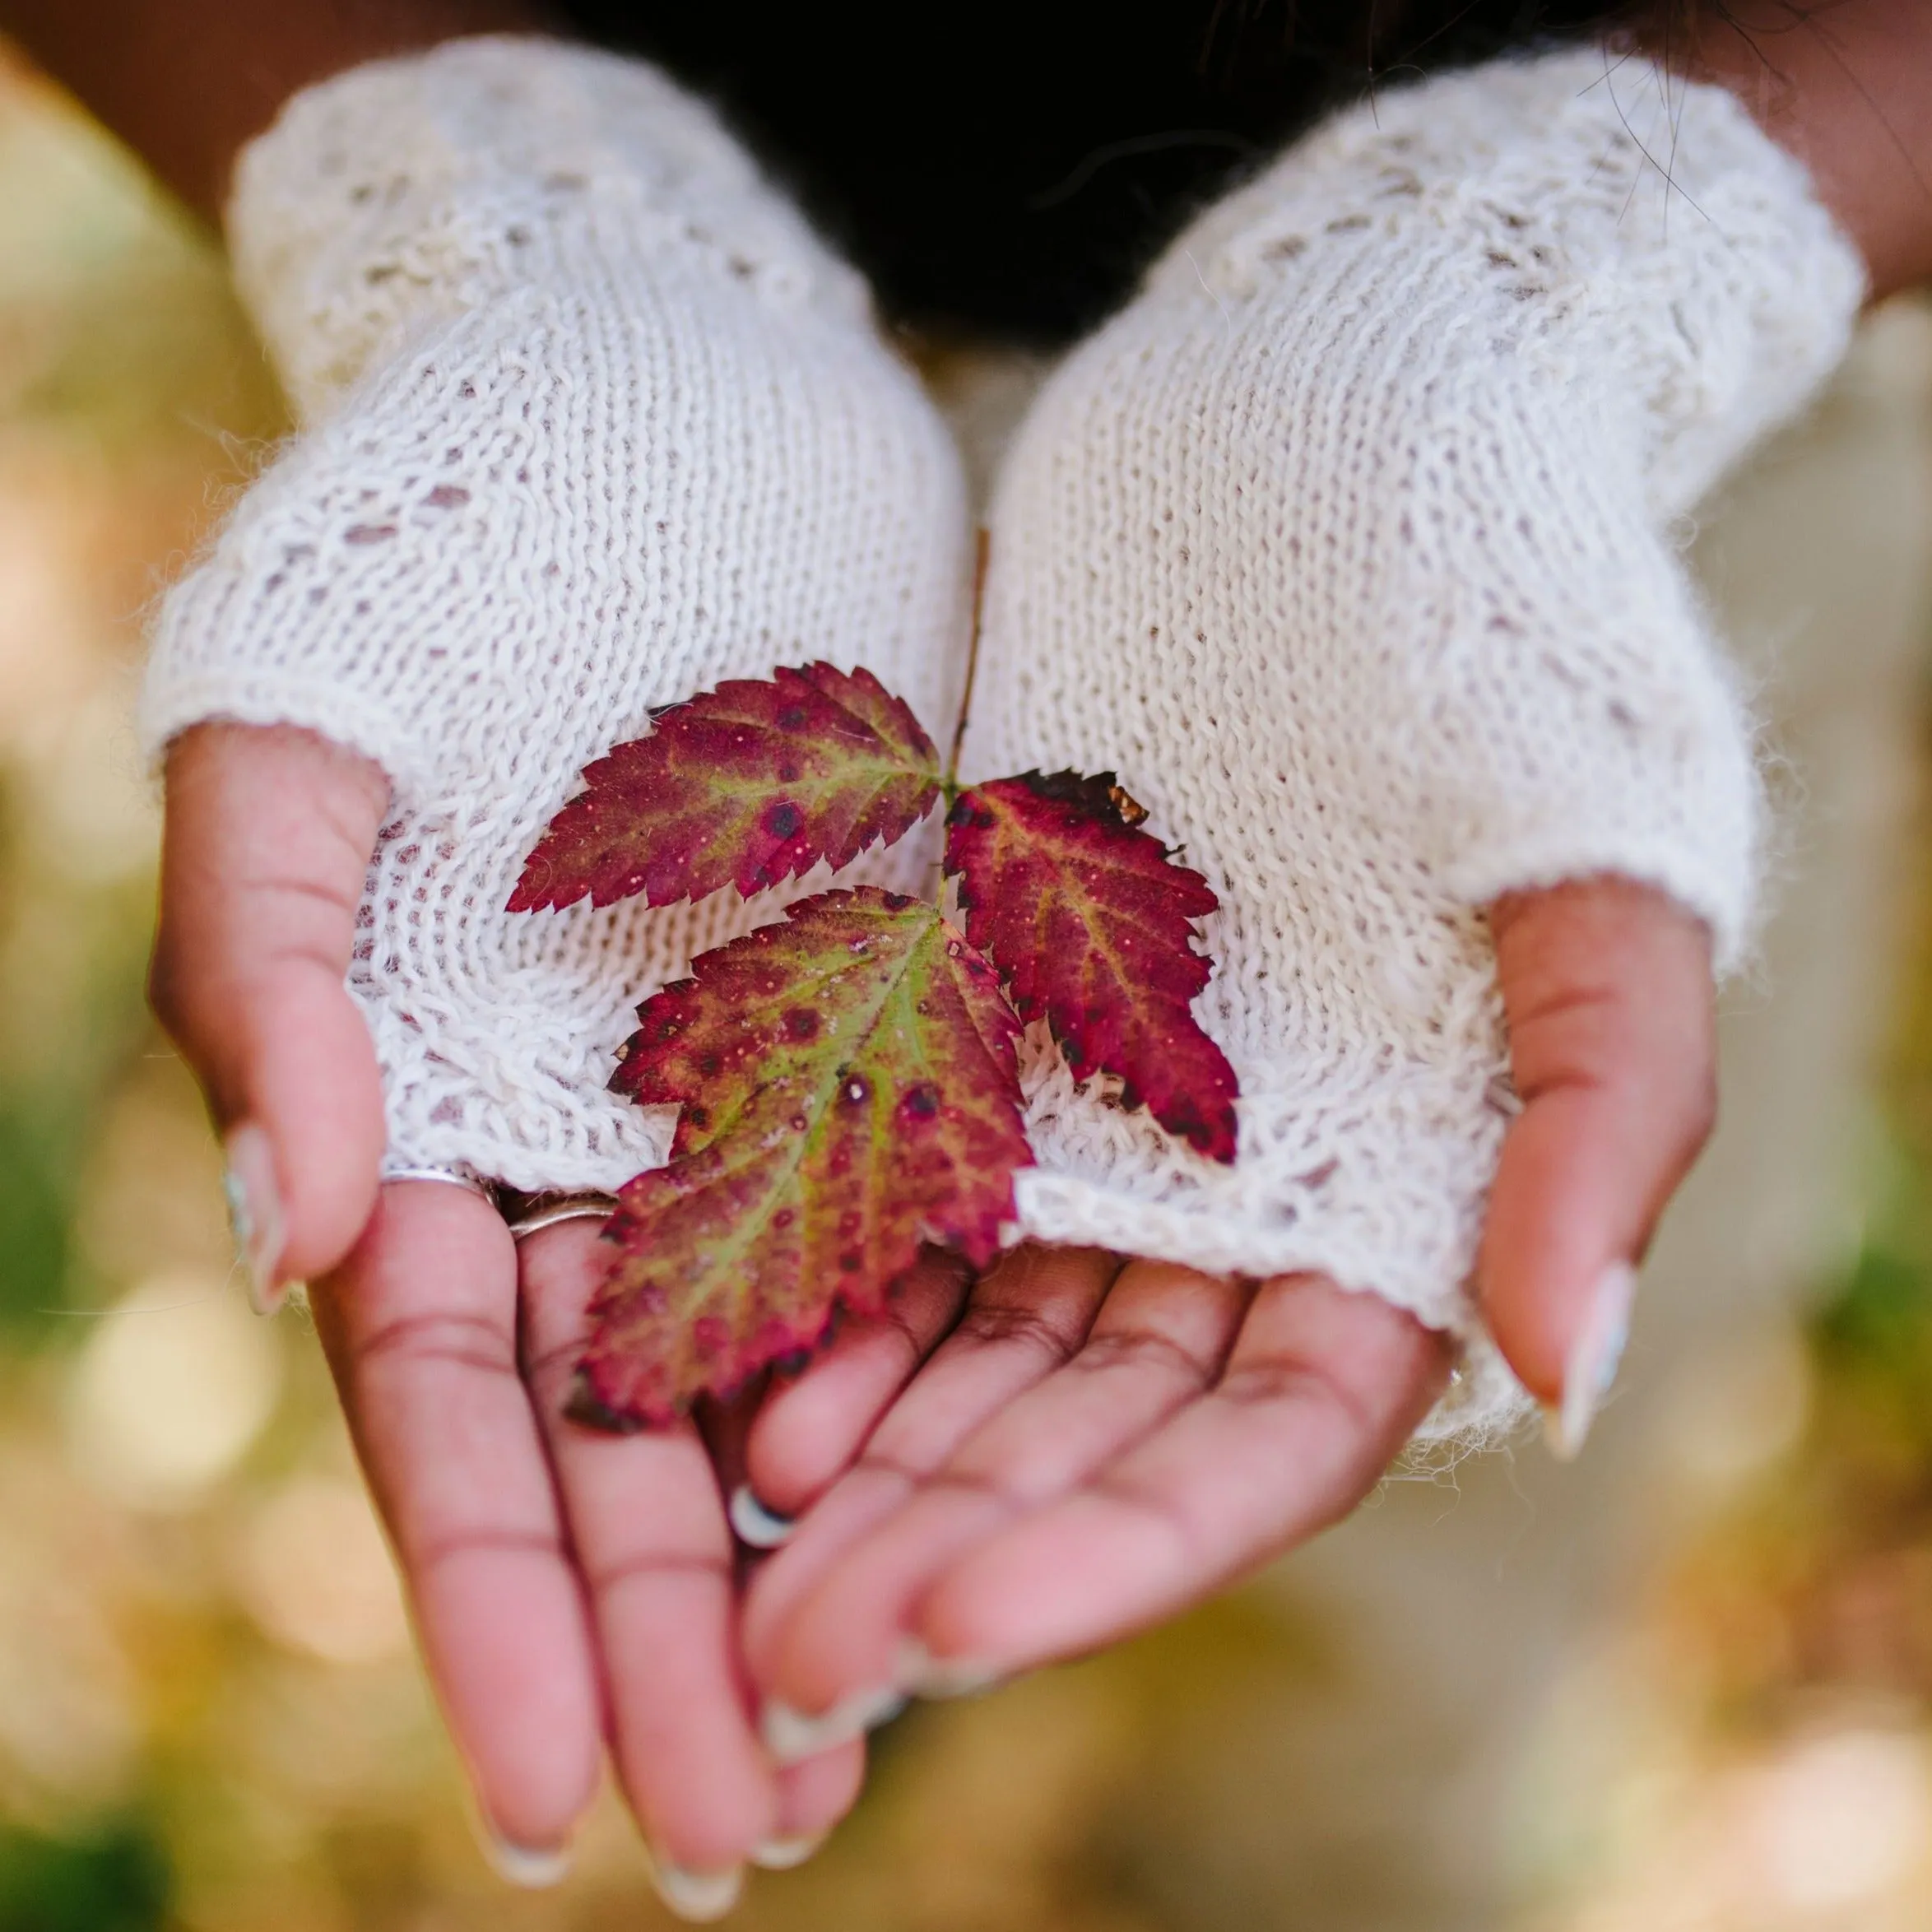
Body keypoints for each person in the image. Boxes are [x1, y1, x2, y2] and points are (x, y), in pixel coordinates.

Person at [5, 0, 1929, 1917]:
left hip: (1607, 394)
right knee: (777, 1538)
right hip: (557, 335)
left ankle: (1283, 1849)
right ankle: (858, 1711)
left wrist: (1596, 246)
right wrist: (488, 211)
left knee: (1395, 1594)